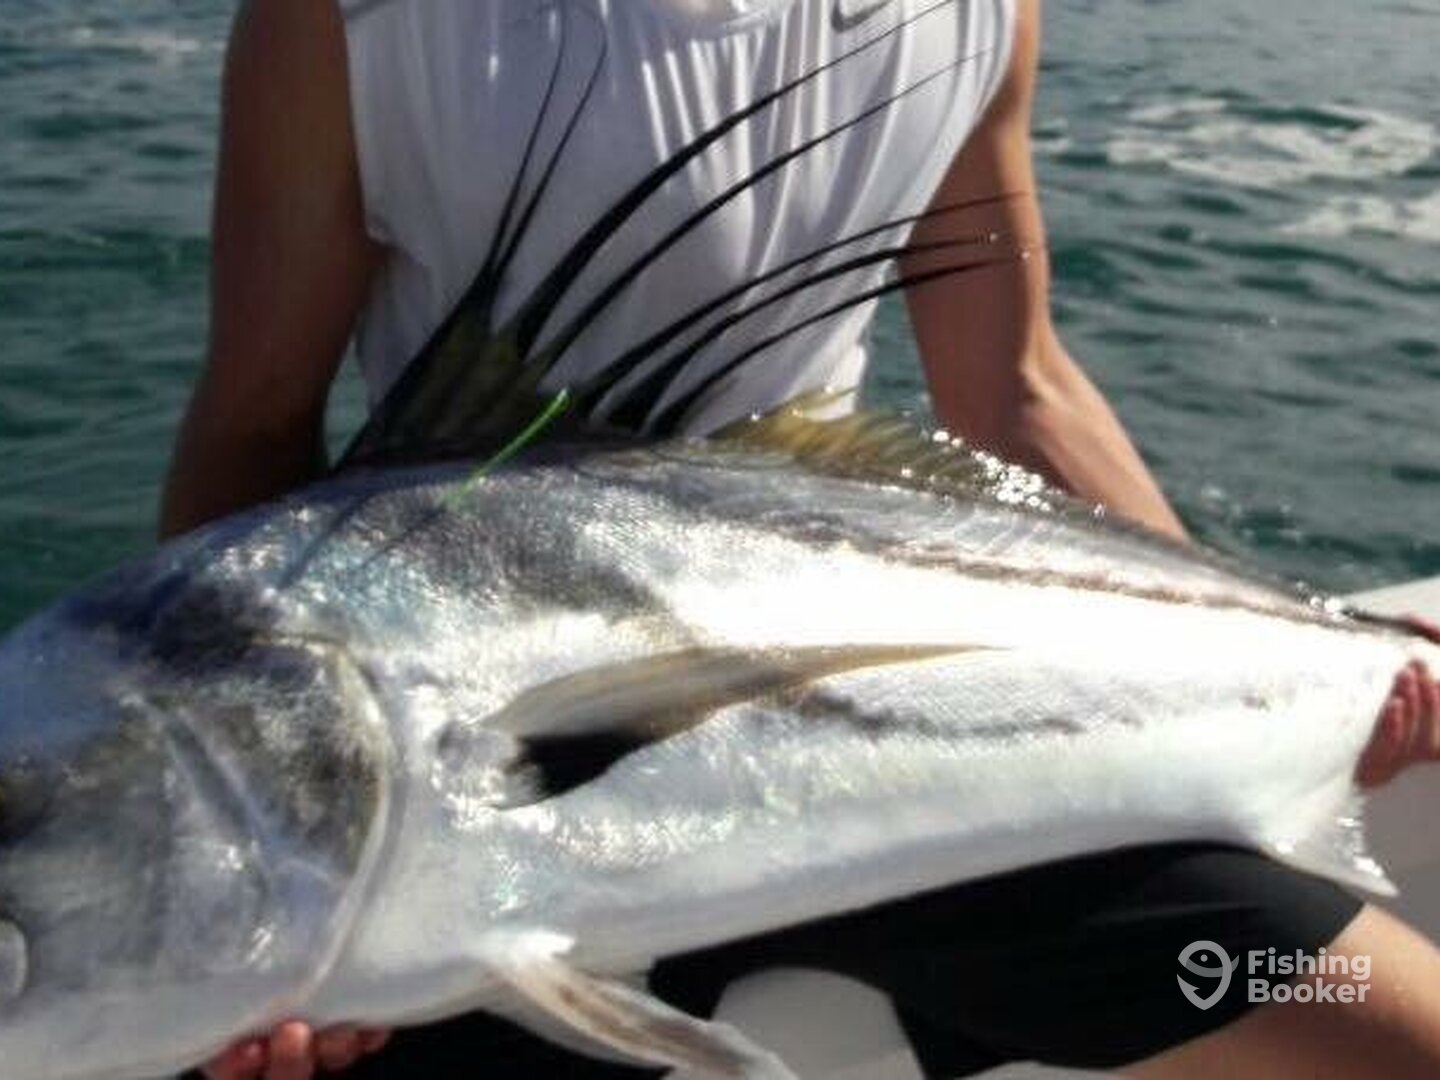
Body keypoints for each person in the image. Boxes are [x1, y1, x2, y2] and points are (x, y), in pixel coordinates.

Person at [162, 1, 1440, 1077]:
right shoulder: (355, 21)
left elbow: (1017, 390)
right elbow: (257, 420)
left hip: (891, 746)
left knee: (1390, 1028)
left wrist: (1311, 649)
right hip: (490, 802)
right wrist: (262, 885)